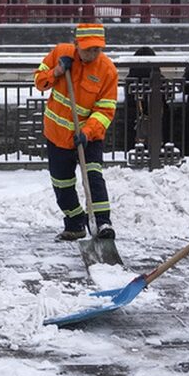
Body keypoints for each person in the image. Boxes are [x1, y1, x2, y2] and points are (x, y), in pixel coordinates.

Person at [33, 23, 119, 241]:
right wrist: (58, 72)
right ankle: (75, 223)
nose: (92, 54)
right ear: (76, 44)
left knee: (93, 177)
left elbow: (105, 110)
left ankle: (102, 223)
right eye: (88, 49)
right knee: (62, 184)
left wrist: (87, 132)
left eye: (97, 49)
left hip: (88, 138)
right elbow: (39, 81)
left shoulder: (107, 71)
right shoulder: (60, 53)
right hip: (57, 135)